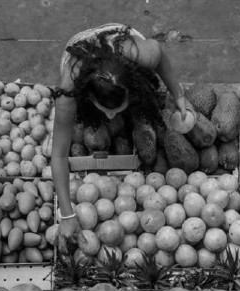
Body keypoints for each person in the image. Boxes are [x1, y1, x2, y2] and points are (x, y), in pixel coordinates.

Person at [51, 23, 188, 252]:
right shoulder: (69, 89)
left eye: (118, 107)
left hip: (123, 50)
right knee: (84, 122)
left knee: (143, 109)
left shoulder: (140, 54)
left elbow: (161, 54)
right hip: (79, 52)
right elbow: (58, 154)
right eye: (105, 110)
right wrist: (67, 214)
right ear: (88, 96)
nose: (112, 116)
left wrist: (179, 94)